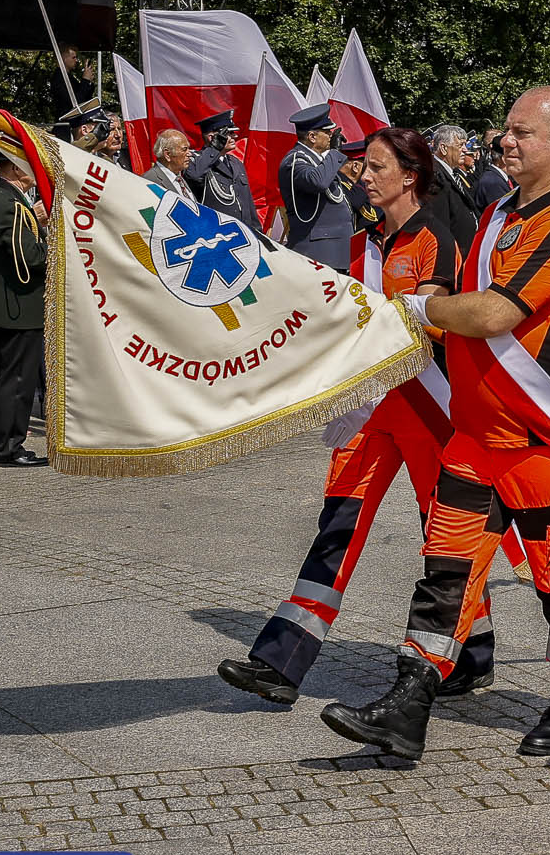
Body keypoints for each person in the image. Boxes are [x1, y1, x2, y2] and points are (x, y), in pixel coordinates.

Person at [321, 86, 550, 763]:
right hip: (475, 437)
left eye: (522, 132)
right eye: (504, 130)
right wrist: (438, 298)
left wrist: (423, 310)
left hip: (540, 441)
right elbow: (464, 293)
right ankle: (407, 703)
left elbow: (496, 313)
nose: (504, 141)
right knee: (446, 569)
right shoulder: (498, 210)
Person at [217, 126, 495, 705]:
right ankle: (281, 659)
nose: (362, 176)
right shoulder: (367, 243)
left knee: (439, 538)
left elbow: (431, 327)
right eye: (362, 167)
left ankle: (471, 652)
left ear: (409, 178)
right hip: (370, 408)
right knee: (337, 526)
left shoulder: (434, 240)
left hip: (421, 405)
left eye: (375, 167)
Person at [0, 148, 50, 468]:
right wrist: (54, 245)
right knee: (17, 380)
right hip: (16, 305)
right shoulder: (9, 204)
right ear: (18, 170)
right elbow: (28, 259)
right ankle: (7, 447)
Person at [278, 103, 351, 267]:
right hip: (319, 252)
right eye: (327, 132)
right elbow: (318, 182)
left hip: (334, 251)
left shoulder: (318, 161)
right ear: (312, 137)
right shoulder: (295, 160)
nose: (331, 136)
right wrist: (335, 152)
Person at [183, 111, 260, 231]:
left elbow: (248, 203)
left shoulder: (235, 163)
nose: (235, 136)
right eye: (229, 133)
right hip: (218, 233)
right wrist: (215, 148)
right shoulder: (196, 162)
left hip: (245, 231)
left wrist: (257, 232)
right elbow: (195, 175)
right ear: (212, 137)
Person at [426, 125, 479, 248]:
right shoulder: (434, 177)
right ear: (444, 148)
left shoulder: (452, 173)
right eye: (460, 146)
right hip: (455, 255)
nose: (465, 150)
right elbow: (440, 225)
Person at [142, 128, 196, 201]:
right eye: (184, 149)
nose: (189, 154)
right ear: (167, 154)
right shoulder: (150, 180)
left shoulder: (179, 178)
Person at [471, 134, 512, 210]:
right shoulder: (493, 182)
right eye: (514, 157)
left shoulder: (497, 177)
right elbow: (505, 214)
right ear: (504, 159)